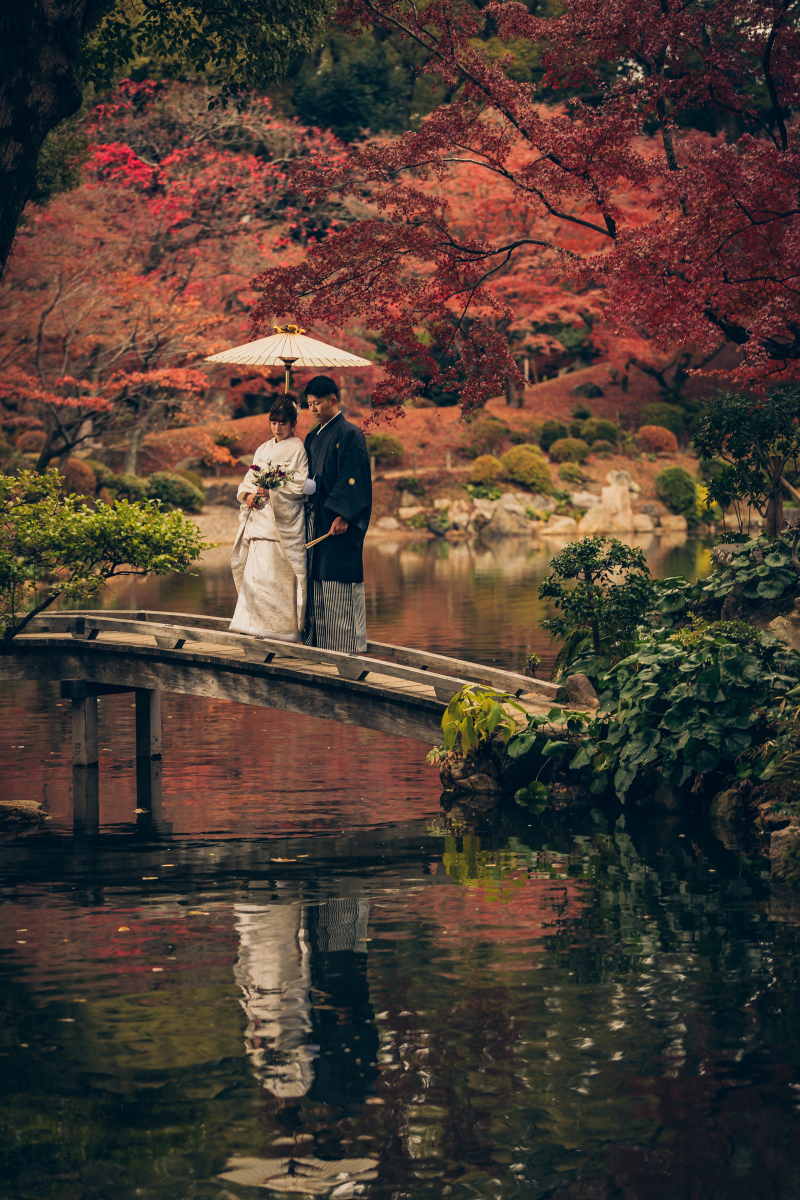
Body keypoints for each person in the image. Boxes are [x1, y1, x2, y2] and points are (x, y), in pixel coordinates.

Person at [230, 396, 309, 642]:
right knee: (255, 580)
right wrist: (249, 495)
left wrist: (272, 491)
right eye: (273, 422)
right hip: (258, 523)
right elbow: (248, 480)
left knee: (276, 580)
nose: (277, 427)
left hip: (279, 527)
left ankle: (282, 632)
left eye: (282, 422)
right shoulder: (263, 449)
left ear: (293, 422)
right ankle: (252, 627)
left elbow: (299, 485)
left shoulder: (298, 449)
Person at [302, 375, 372, 653]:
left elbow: (355, 479)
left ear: (333, 400)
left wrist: (344, 515)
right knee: (316, 580)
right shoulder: (311, 437)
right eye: (309, 405)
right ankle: (318, 645)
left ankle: (347, 649)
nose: (313, 409)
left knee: (337, 581)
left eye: (317, 403)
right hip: (315, 520)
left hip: (338, 524)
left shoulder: (350, 433)